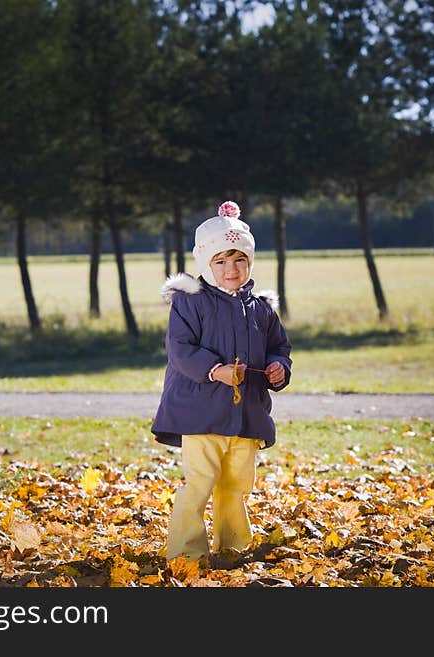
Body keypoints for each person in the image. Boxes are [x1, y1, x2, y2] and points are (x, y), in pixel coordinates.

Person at [151, 200, 293, 562]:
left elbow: (279, 346)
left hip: (246, 414)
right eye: (221, 261)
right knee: (200, 482)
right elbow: (180, 349)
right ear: (205, 264)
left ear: (250, 261)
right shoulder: (190, 302)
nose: (231, 269)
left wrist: (278, 367)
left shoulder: (261, 307)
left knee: (237, 484)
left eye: (239, 259)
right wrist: (215, 370)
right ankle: (186, 553)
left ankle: (232, 546)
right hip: (201, 414)